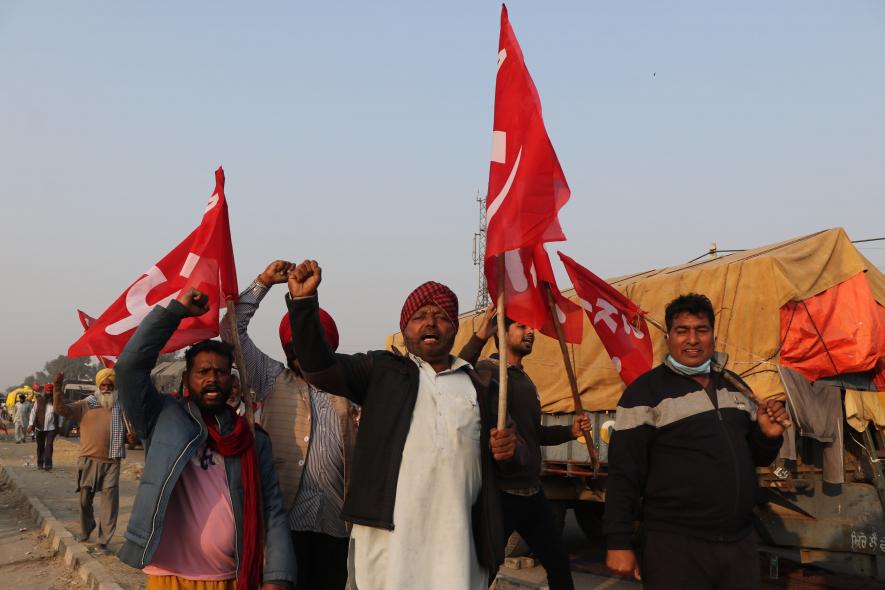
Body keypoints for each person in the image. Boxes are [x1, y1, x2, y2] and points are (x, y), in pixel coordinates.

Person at [285, 259, 522, 590]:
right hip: (388, 544)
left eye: (441, 316)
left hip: (458, 546)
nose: (431, 323)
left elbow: (518, 456)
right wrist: (303, 304)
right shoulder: (381, 371)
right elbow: (319, 368)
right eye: (420, 316)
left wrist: (511, 451)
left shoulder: (481, 385)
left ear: (455, 327)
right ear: (404, 326)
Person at [115, 288, 295, 590]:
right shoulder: (162, 419)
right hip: (168, 577)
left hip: (228, 578)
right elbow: (128, 368)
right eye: (203, 372)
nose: (212, 378)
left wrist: (278, 576)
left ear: (232, 381)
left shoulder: (251, 438)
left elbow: (272, 509)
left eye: (220, 372)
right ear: (187, 379)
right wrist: (174, 313)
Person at [603, 293, 787, 589]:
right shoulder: (644, 393)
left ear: (713, 335)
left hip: (739, 542)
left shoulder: (735, 386)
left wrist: (767, 436)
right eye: (682, 330)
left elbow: (756, 457)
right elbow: (624, 472)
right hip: (675, 546)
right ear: (668, 338)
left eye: (701, 330)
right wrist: (618, 541)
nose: (692, 339)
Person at [220, 260, 357, 590]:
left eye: (311, 343)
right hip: (281, 526)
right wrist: (263, 282)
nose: (301, 352)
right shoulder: (271, 378)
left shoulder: (348, 387)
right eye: (294, 345)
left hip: (335, 526)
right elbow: (230, 332)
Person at [460, 306, 589, 590]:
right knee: (483, 570)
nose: (530, 332)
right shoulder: (487, 371)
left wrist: (570, 431)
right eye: (521, 326)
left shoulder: (525, 380)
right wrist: (480, 335)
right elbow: (455, 374)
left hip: (532, 492)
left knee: (558, 565)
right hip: (500, 495)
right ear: (502, 333)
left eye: (531, 328)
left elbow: (534, 434)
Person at [52, 369, 124, 553]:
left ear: (114, 387)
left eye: (110, 385)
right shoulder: (85, 405)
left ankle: (103, 541)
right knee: (84, 500)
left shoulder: (120, 406)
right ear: (98, 386)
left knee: (110, 502)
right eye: (103, 385)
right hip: (88, 460)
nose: (106, 388)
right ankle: (87, 527)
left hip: (112, 462)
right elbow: (60, 409)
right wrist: (57, 388)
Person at [28, 384, 59, 470]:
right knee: (40, 446)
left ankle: (48, 464)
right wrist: (30, 424)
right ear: (45, 391)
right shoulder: (39, 401)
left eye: (51, 391)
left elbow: (60, 414)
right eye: (48, 391)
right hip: (39, 427)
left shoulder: (56, 402)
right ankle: (40, 463)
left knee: (49, 446)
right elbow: (33, 413)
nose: (49, 392)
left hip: (51, 428)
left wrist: (59, 426)